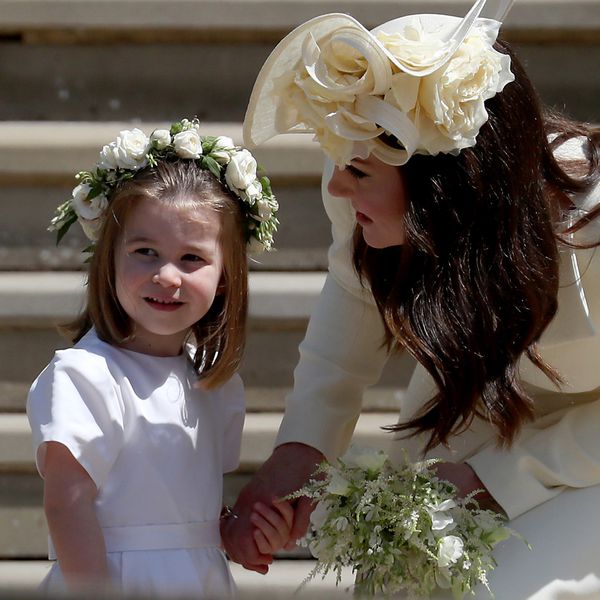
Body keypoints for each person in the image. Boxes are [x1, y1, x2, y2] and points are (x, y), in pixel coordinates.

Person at [222, 0, 600, 597]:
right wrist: (299, 452)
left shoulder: (592, 232)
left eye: (361, 172)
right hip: (479, 399)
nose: (339, 186)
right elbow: (353, 297)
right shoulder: (357, 182)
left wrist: (498, 478)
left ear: (448, 185)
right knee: (408, 579)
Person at [26, 119, 288, 597]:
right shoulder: (86, 376)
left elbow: (185, 513)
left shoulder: (214, 384)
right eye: (145, 251)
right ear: (110, 259)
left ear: (226, 276)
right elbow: (67, 506)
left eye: (192, 258)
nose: (167, 276)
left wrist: (232, 533)